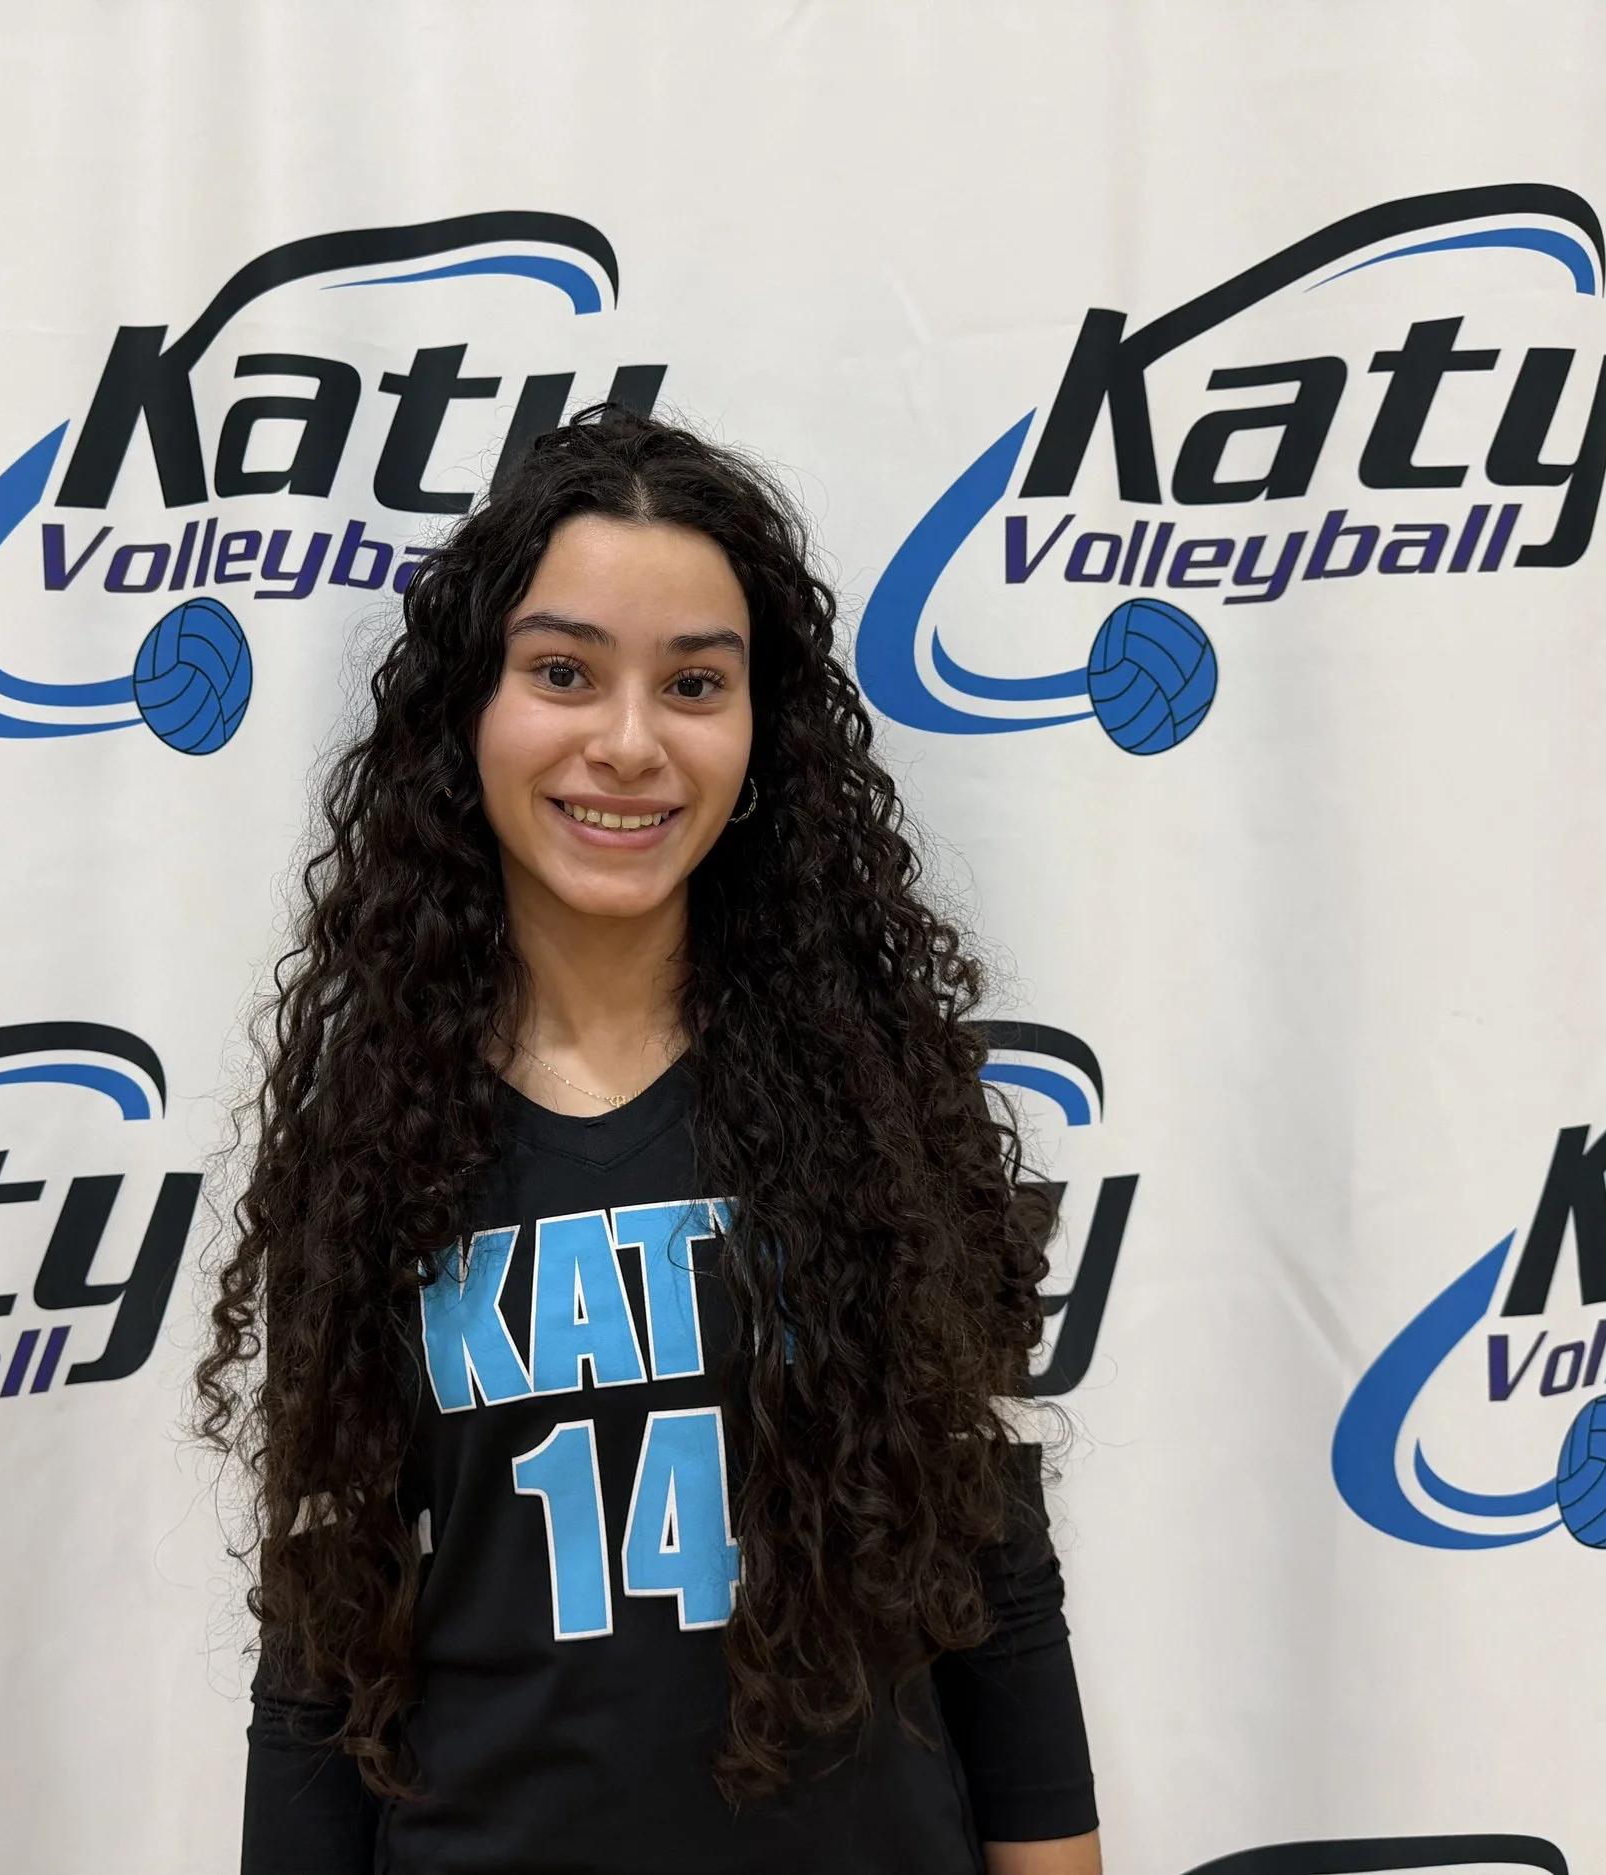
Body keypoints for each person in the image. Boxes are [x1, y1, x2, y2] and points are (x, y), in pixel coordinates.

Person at [198, 405, 1101, 1875]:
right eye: (563, 672)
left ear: (759, 733)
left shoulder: (877, 1103)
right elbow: (322, 1646)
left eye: (693, 683)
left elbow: (993, 1581)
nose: (628, 744)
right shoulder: (368, 1142)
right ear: (471, 710)